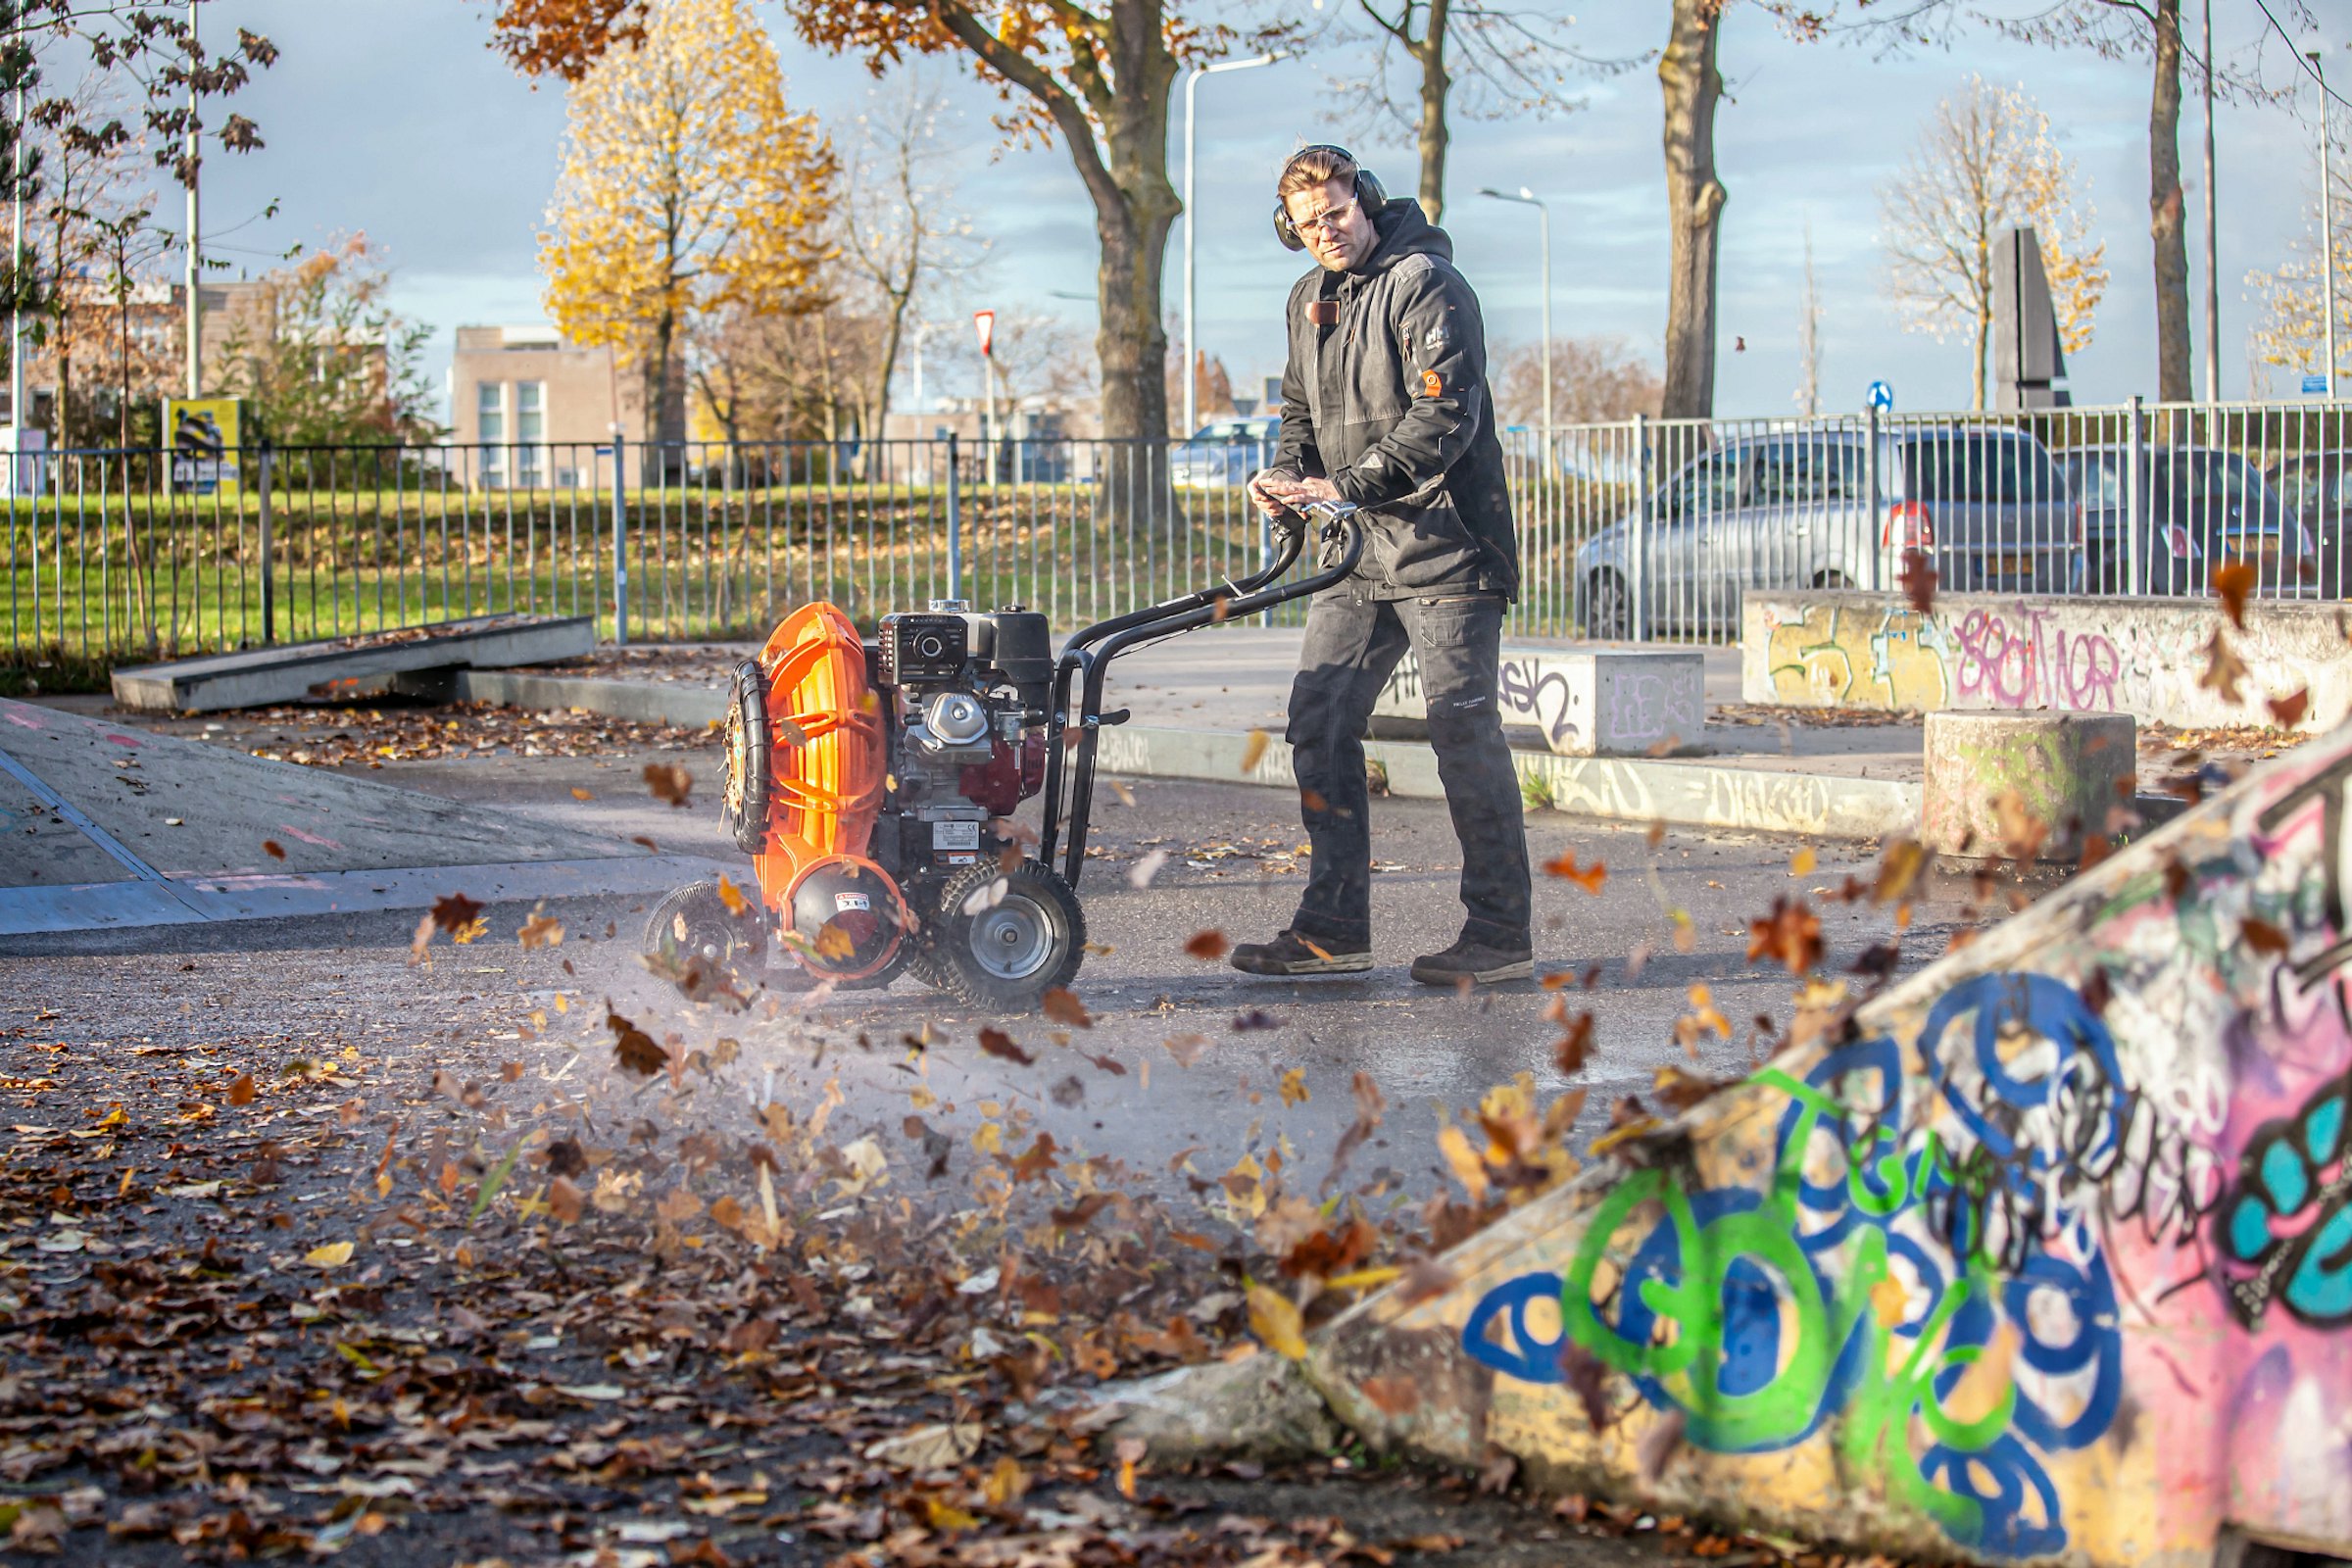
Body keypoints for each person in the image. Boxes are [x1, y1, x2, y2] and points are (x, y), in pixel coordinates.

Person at [1232, 143, 1534, 987]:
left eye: (1335, 213)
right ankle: (1333, 930)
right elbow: (1300, 406)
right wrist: (1291, 479)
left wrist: (1349, 487)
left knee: (1461, 733)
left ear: (1363, 200)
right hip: (1355, 555)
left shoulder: (1428, 284)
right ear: (1289, 231)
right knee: (1320, 727)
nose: (1325, 232)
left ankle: (1501, 932)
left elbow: (1445, 415)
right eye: (1307, 223)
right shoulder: (1307, 300)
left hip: (1446, 548)